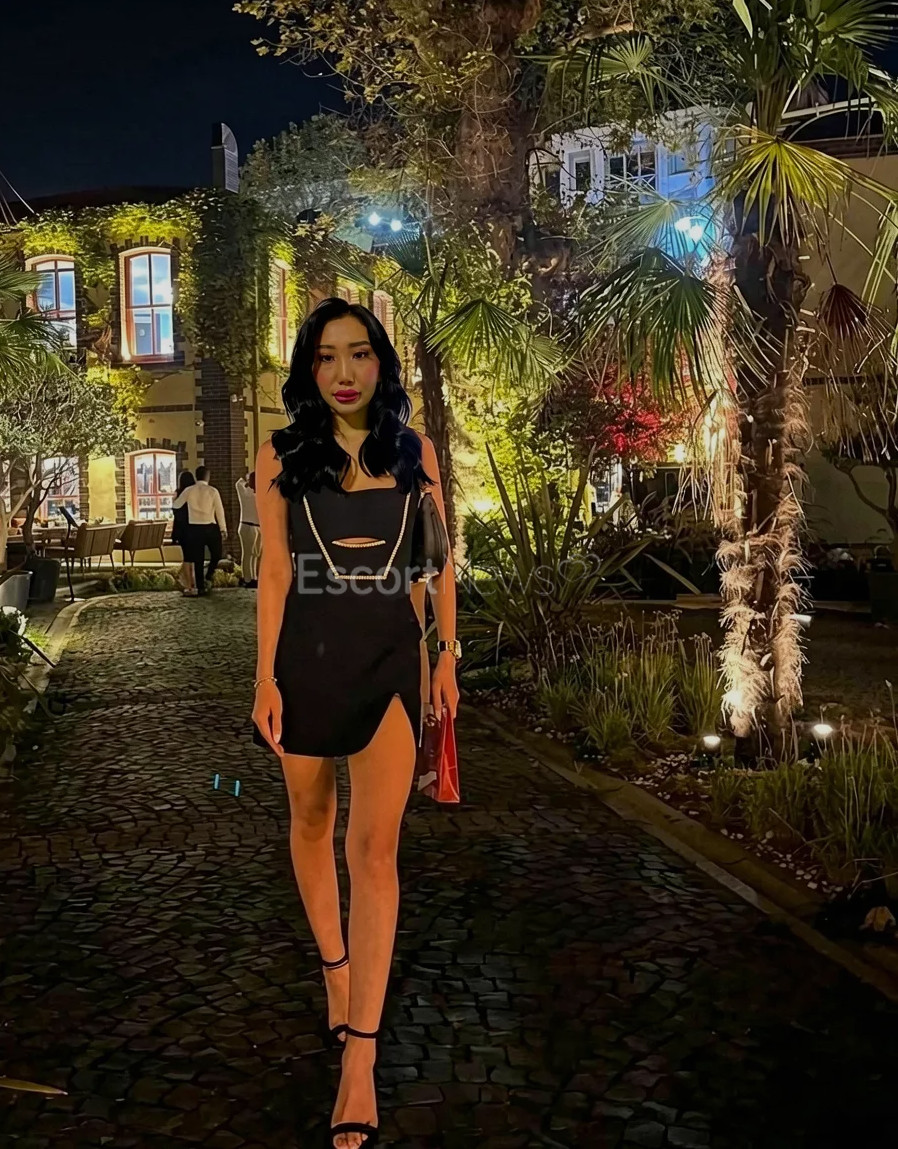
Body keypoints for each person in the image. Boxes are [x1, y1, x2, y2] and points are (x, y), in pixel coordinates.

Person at [251, 297, 460, 1149]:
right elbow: (274, 571)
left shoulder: (416, 453)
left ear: (381, 364)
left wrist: (444, 656)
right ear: (310, 369)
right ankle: (335, 967)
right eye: (328, 356)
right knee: (311, 819)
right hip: (305, 659)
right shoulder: (280, 456)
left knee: (373, 852)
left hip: (389, 661)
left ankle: (361, 1056)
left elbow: (439, 563)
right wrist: (264, 676)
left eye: (360, 354)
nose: (344, 372)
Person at [171, 465, 227, 596]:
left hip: (194, 527)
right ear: (208, 477)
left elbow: (176, 505)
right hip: (210, 526)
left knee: (198, 559)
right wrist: (223, 528)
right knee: (217, 554)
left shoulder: (189, 490)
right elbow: (220, 511)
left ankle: (200, 586)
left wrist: (175, 501)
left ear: (196, 476)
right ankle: (209, 574)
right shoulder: (213, 491)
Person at [171, 470, 196, 595]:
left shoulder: (178, 494)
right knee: (194, 556)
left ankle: (188, 584)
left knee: (187, 557)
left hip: (182, 529)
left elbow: (176, 513)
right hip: (195, 527)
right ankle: (194, 582)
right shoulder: (195, 493)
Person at [236, 471, 261, 588]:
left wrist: (245, 479)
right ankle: (250, 577)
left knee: (250, 553)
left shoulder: (245, 493)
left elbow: (238, 484)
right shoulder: (258, 494)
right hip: (253, 526)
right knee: (252, 553)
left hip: (248, 525)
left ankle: (250, 577)